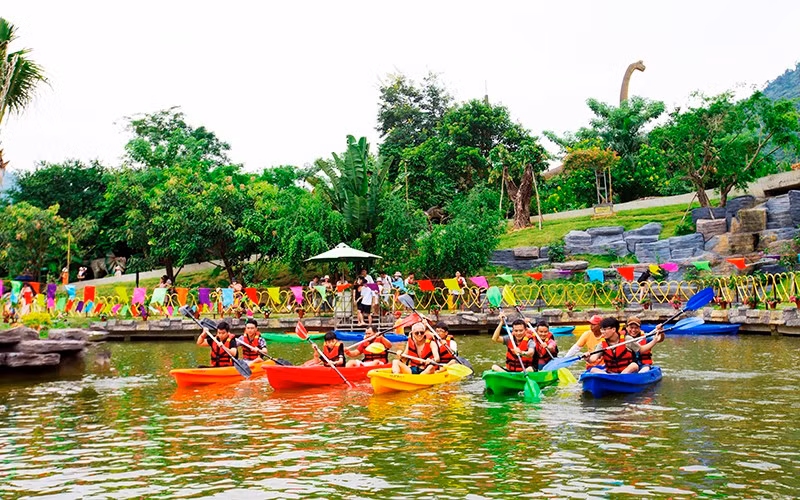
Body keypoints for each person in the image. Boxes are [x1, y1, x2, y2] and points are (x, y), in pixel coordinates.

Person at [587, 317, 661, 374]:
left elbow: (641, 350)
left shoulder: (627, 339)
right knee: (593, 370)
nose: (602, 332)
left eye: (604, 329)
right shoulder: (602, 344)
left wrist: (655, 340)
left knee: (634, 365)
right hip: (611, 373)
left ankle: (619, 379)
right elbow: (593, 359)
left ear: (613, 329)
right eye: (601, 329)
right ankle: (610, 379)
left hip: (626, 372)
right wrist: (587, 358)